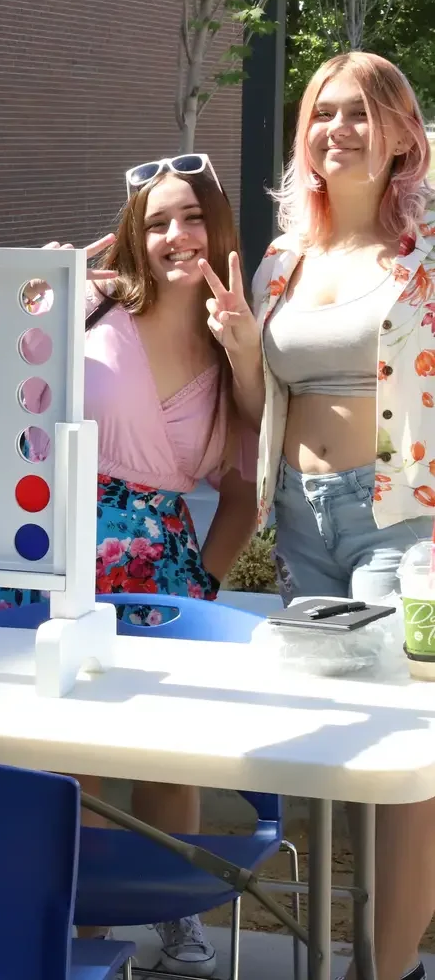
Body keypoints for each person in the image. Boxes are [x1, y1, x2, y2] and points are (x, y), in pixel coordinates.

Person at [0, 156, 258, 976]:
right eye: (156, 221)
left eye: (190, 218)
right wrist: (30, 290)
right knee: (63, 757)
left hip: (156, 567)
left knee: (165, 751)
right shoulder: (94, 304)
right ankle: (77, 921)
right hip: (40, 542)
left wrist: (204, 586)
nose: (174, 236)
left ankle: (170, 911)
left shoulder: (240, 347)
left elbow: (243, 495)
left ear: (218, 226)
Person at [203, 51, 435, 980]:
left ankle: (385, 971)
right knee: (343, 750)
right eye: (322, 113)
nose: (337, 129)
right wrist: (244, 348)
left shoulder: (425, 255)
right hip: (302, 522)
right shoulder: (281, 260)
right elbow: (264, 407)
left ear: (402, 136)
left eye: (360, 114)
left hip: (404, 525)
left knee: (405, 768)